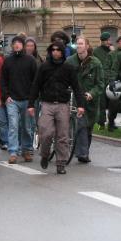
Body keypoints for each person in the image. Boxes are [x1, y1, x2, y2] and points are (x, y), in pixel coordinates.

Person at [28, 41, 86, 175]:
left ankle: (61, 163)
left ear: (62, 52)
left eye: (58, 50)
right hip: (47, 104)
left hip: (62, 105)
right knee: (45, 133)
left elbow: (77, 87)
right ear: (50, 51)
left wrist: (81, 105)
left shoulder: (68, 68)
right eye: (53, 50)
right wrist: (31, 104)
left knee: (62, 136)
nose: (55, 52)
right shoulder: (44, 67)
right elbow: (36, 85)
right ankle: (44, 154)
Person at [66, 37, 105, 163]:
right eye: (77, 44)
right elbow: (63, 79)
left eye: (81, 44)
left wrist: (92, 93)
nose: (78, 46)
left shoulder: (96, 63)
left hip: (90, 101)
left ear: (87, 46)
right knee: (80, 124)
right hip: (76, 99)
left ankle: (84, 152)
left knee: (88, 128)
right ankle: (81, 153)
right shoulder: (70, 62)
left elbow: (100, 84)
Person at [1, 36, 39, 164]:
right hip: (12, 100)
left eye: (19, 43)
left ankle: (27, 149)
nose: (17, 45)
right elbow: (3, 80)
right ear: (12, 46)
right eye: (14, 43)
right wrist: (6, 96)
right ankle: (13, 151)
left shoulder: (31, 60)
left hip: (27, 99)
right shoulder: (8, 61)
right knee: (13, 125)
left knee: (27, 126)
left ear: (22, 45)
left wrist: (32, 99)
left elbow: (36, 81)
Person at [92, 32, 114, 130]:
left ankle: (111, 123)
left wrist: (113, 52)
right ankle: (101, 123)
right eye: (107, 40)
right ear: (103, 41)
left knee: (113, 102)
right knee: (102, 103)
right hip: (101, 79)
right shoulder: (96, 51)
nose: (109, 42)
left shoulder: (113, 51)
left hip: (111, 79)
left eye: (109, 40)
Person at [106, 36, 121, 131]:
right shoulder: (112, 54)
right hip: (116, 82)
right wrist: (110, 81)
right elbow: (107, 68)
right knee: (114, 104)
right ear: (118, 43)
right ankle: (111, 122)